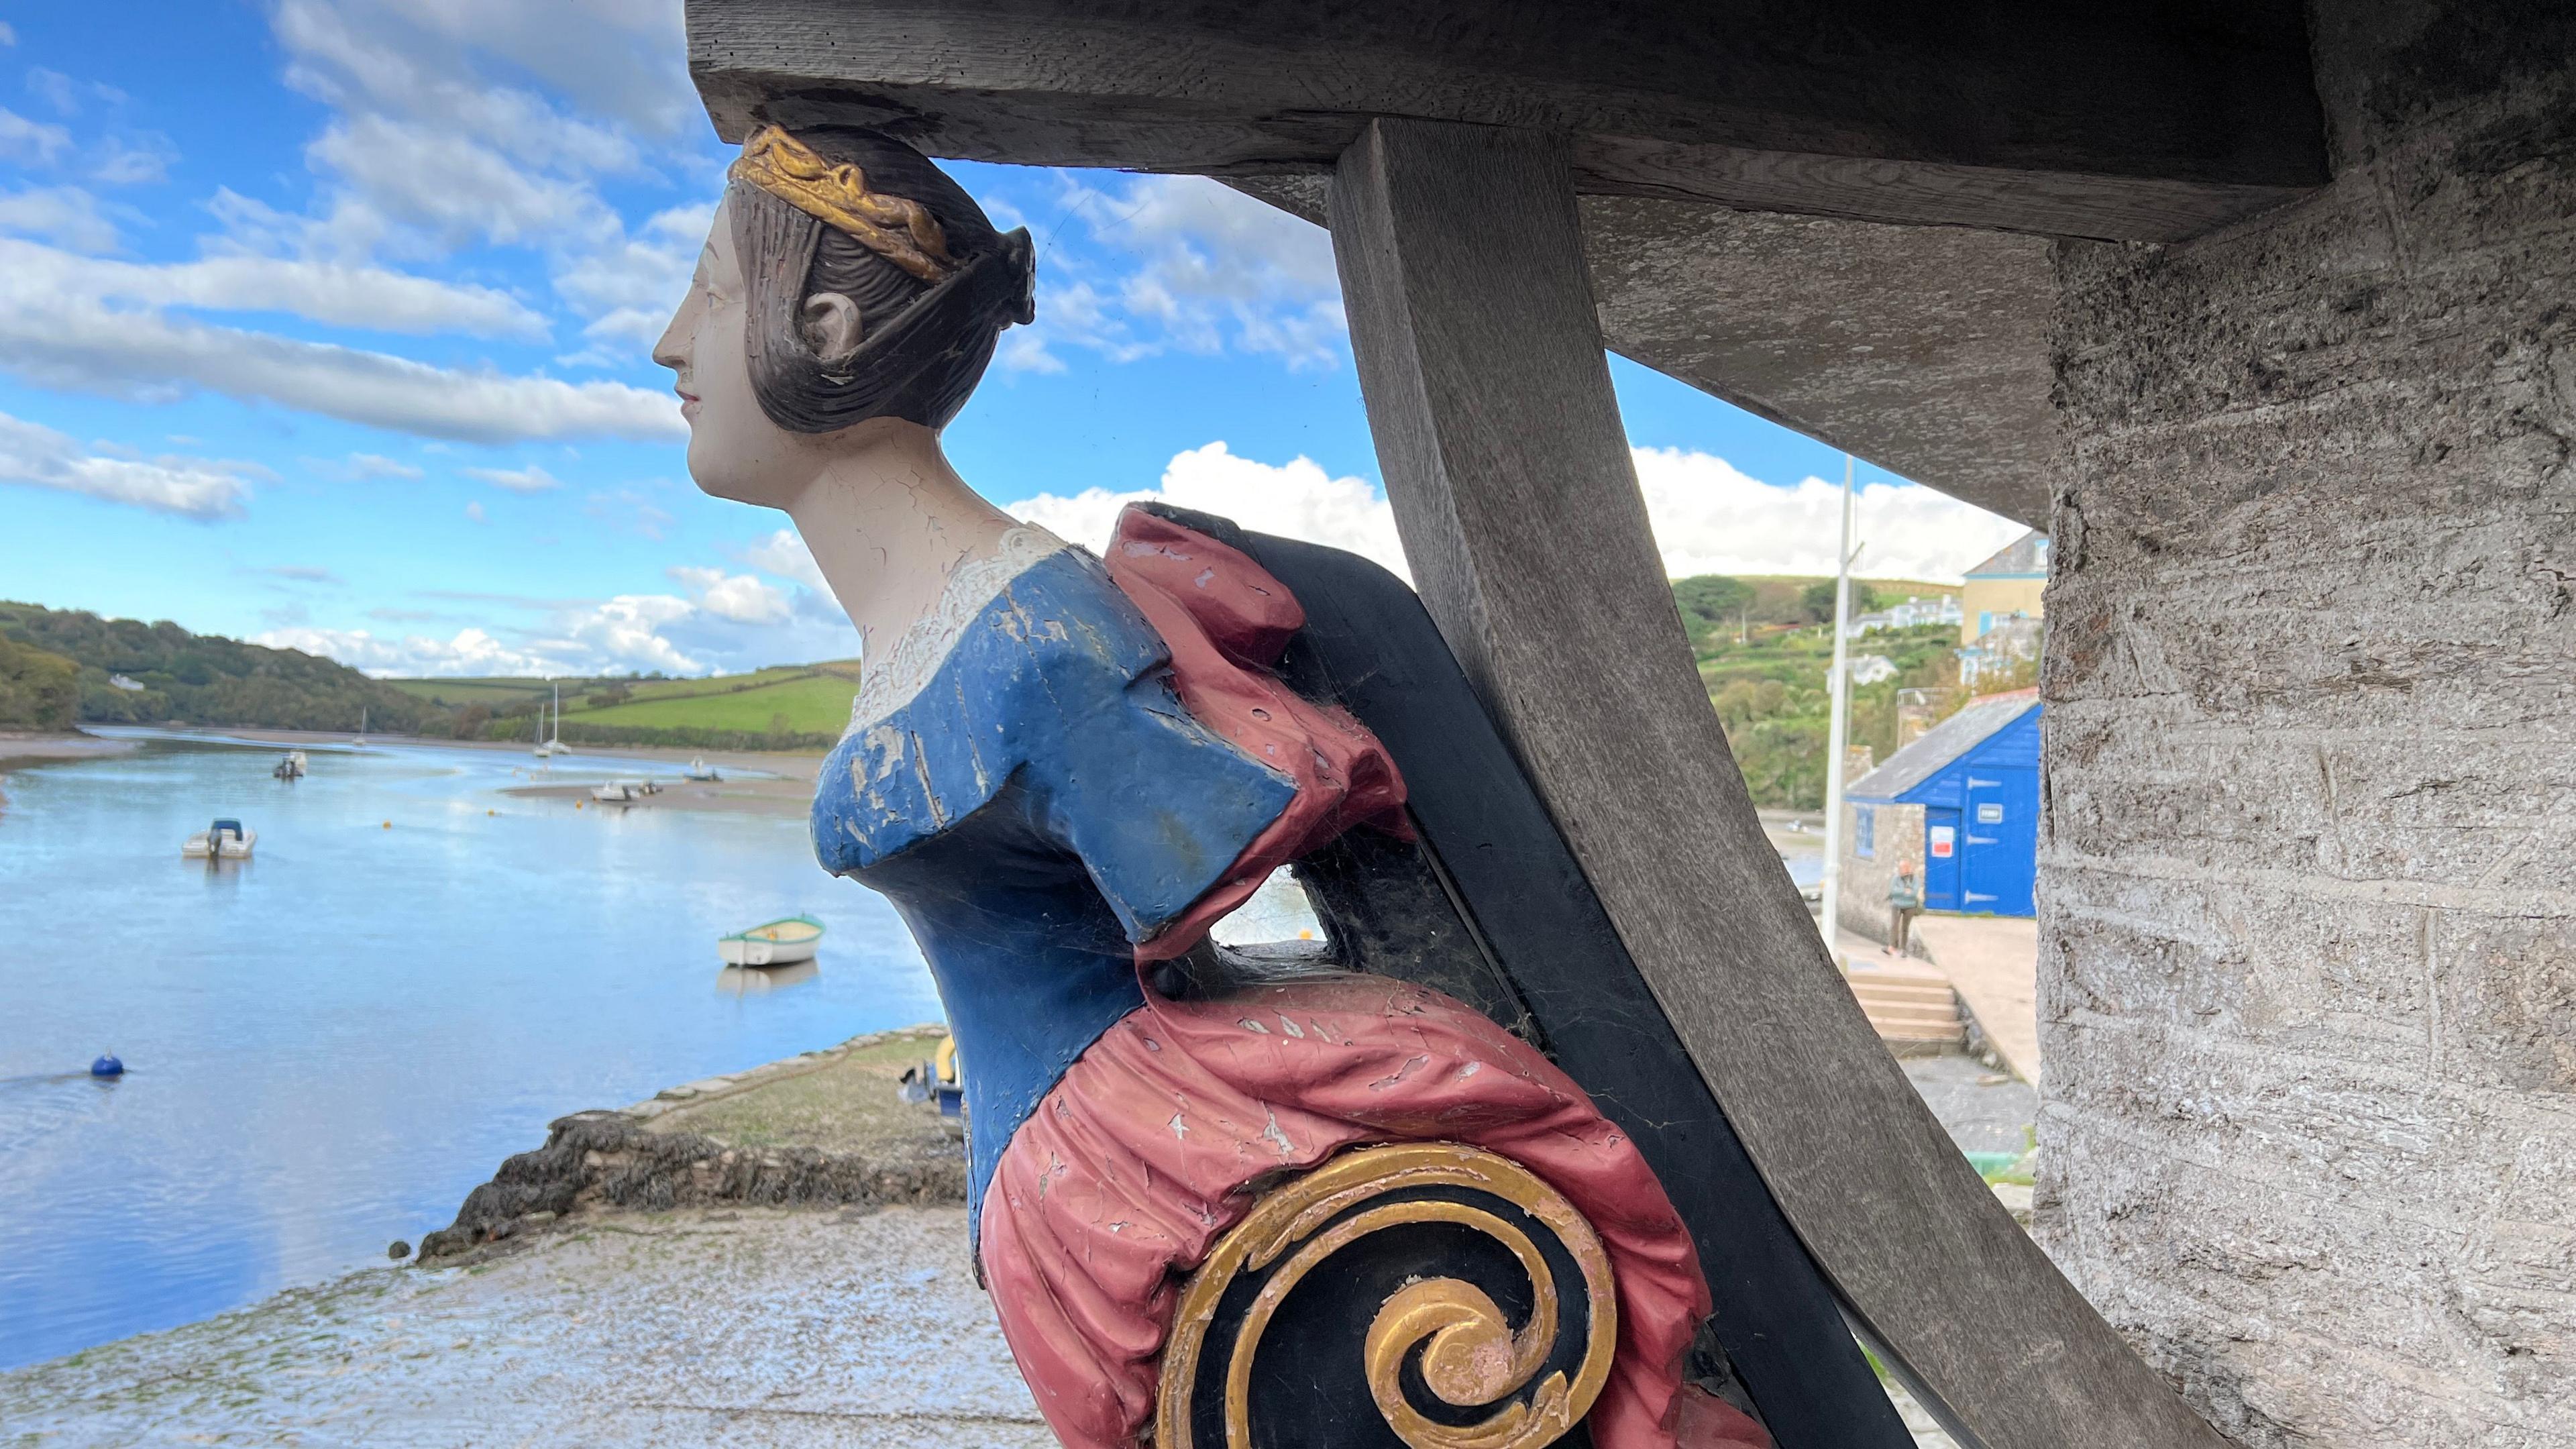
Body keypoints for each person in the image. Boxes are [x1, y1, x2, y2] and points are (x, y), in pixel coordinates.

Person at [653, 123, 1768, 1449]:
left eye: (710, 289)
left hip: (1141, 1161)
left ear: (824, 325)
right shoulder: (933, 627)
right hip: (1062, 1177)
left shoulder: (1036, 634)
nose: (670, 342)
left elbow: (1182, 864)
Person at [1886, 864, 1923, 955]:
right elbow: (1893, 891)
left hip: (1910, 906)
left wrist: (1901, 891)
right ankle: (1892, 947)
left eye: (1905, 869)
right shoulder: (1896, 878)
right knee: (1894, 925)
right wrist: (1904, 891)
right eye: (1901, 869)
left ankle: (1903, 949)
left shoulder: (1915, 879)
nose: (1902, 871)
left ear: (1909, 869)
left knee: (1905, 928)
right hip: (1897, 905)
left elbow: (1914, 893)